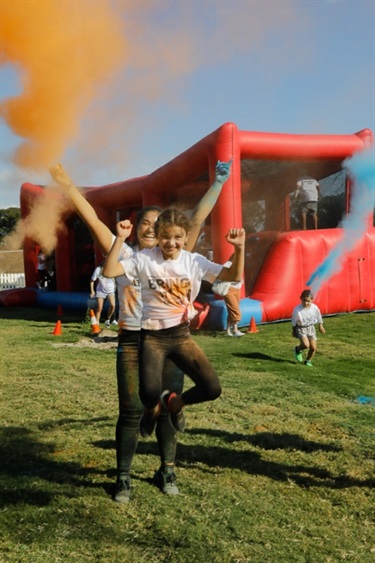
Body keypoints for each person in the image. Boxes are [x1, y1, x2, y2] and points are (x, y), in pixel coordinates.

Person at [49, 160, 232, 502]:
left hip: (170, 337)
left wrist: (219, 182)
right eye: (145, 223)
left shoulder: (175, 253)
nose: (150, 227)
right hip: (133, 342)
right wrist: (67, 184)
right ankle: (123, 477)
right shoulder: (127, 255)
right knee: (132, 411)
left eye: (156, 223)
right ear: (137, 230)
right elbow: (90, 215)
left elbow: (198, 217)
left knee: (165, 408)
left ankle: (167, 469)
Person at [103, 208, 246, 440]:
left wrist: (239, 248)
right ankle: (151, 411)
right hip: (152, 337)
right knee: (148, 394)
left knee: (212, 389)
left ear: (186, 237)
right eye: (165, 237)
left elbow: (233, 277)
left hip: (181, 337)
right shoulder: (144, 259)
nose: (171, 243)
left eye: (177, 237)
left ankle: (176, 404)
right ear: (158, 236)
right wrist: (119, 239)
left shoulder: (194, 262)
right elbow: (109, 271)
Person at [292, 289, 325, 367]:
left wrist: (320, 325)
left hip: (311, 328)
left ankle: (307, 361)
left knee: (313, 348)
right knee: (306, 345)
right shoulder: (297, 310)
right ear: (301, 299)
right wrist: (294, 330)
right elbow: (294, 320)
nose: (306, 303)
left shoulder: (314, 308)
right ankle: (298, 349)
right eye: (304, 301)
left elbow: (318, 316)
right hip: (301, 328)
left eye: (308, 301)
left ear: (312, 300)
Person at [221, 254, 244, 337]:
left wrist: (241, 280)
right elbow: (222, 276)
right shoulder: (227, 265)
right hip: (229, 289)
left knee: (232, 310)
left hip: (237, 289)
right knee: (235, 310)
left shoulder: (238, 265)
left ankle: (228, 331)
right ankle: (235, 330)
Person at [90, 262, 117, 327]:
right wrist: (92, 291)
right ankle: (97, 323)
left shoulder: (111, 269)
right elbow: (92, 280)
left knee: (113, 305)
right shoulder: (98, 270)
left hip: (110, 290)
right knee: (99, 307)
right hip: (101, 291)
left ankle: (108, 319)